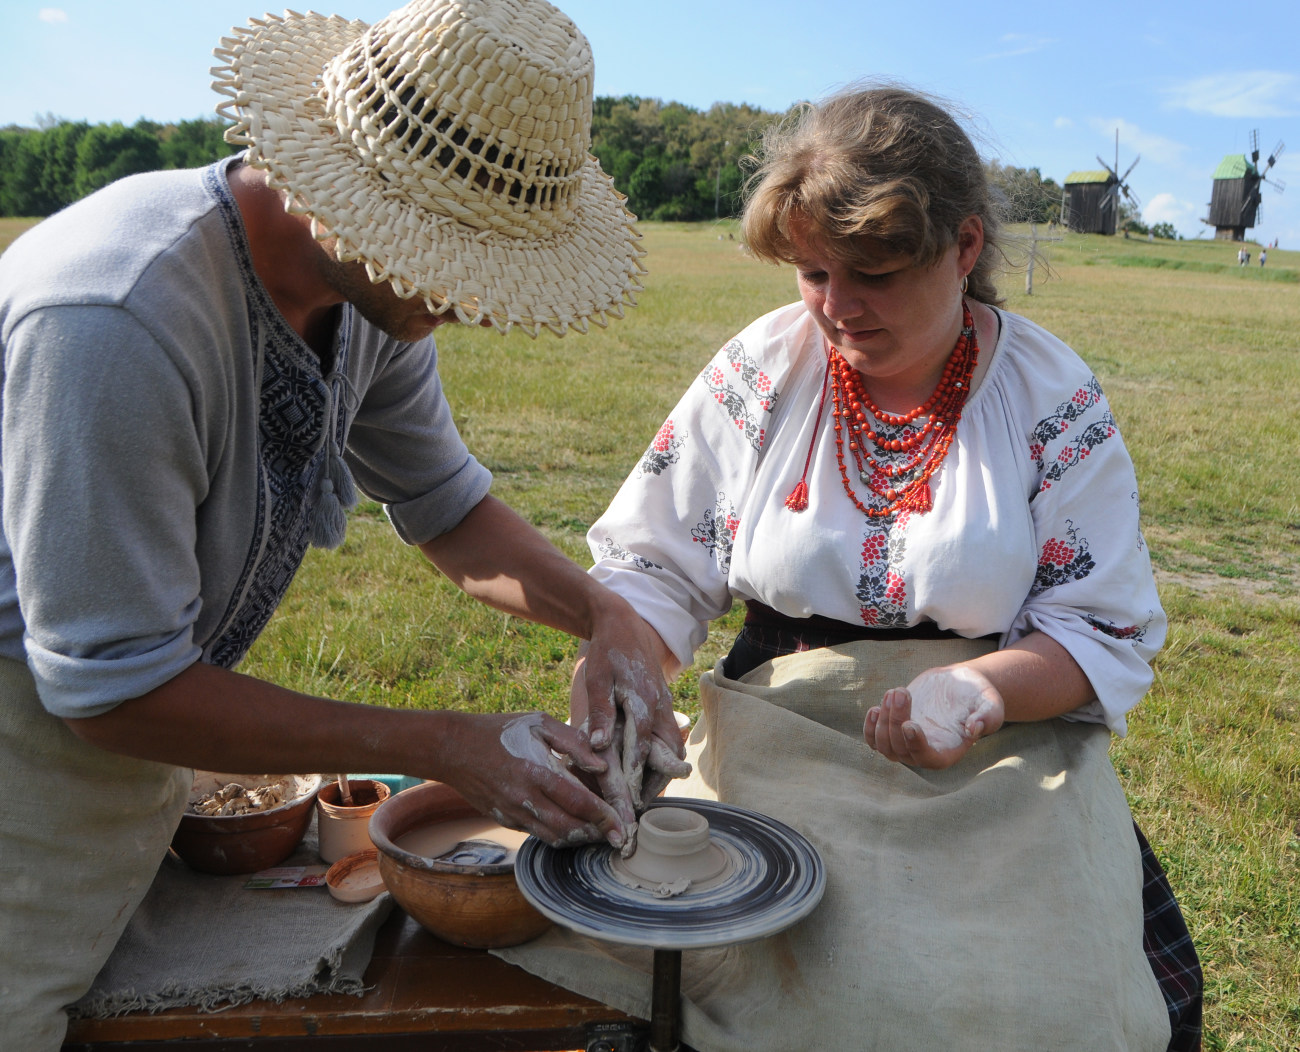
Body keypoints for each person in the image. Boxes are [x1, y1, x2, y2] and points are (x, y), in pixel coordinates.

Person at [0, 1, 686, 1047]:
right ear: (346, 191)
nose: (472, 299)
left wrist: (601, 615)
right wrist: (446, 744)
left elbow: (447, 508)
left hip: (134, 726)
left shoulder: (370, 290)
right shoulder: (116, 319)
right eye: (455, 253)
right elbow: (105, 688)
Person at [500, 84, 1202, 1052]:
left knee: (1029, 1008)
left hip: (999, 757)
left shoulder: (1047, 394)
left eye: (872, 272)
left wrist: (978, 691)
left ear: (962, 248)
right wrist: (625, 659)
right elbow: (658, 565)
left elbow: (1099, 629)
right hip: (777, 725)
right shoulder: (761, 370)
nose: (836, 307)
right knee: (698, 964)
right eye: (812, 273)